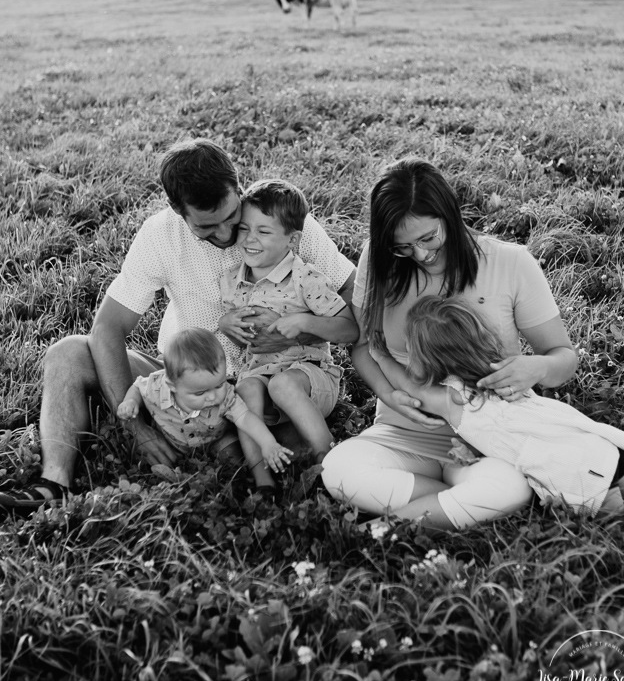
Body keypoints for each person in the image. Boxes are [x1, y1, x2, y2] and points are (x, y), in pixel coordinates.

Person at [0, 138, 355, 513]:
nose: (224, 234)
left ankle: (241, 455)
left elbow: (351, 293)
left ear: (238, 186)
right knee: (67, 354)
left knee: (269, 446)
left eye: (230, 217)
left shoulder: (277, 220)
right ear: (177, 211)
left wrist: (297, 328)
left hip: (272, 383)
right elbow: (107, 328)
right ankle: (52, 482)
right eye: (206, 226)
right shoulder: (160, 236)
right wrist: (136, 428)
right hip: (184, 380)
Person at [322, 157, 580, 531]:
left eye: (429, 238)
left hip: (490, 440)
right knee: (338, 471)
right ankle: (452, 505)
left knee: (509, 487)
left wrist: (536, 368)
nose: (422, 255)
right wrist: (388, 393)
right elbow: (364, 346)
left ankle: (390, 524)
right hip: (405, 432)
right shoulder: (376, 261)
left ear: (450, 215)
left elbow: (564, 358)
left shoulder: (510, 263)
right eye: (403, 247)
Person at [376, 295, 624, 517]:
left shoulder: (453, 398)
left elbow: (409, 387)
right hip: (600, 448)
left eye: (410, 348)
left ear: (427, 358)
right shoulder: (504, 371)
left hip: (576, 474)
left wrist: (381, 357)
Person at [219, 179, 358, 490]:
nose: (249, 240)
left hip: (311, 382)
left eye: (264, 232)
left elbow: (349, 328)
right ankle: (263, 481)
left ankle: (331, 463)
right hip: (261, 378)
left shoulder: (304, 278)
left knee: (283, 384)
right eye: (244, 229)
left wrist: (303, 322)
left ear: (292, 240)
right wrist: (227, 324)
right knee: (246, 391)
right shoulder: (232, 281)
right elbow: (246, 341)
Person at [117, 327, 293, 474]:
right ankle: (174, 477)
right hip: (172, 440)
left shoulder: (227, 397)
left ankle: (224, 474)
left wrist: (268, 443)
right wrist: (130, 402)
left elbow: (246, 418)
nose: (212, 396)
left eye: (219, 385)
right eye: (200, 393)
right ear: (172, 386)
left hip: (216, 438)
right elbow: (138, 387)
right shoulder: (158, 386)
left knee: (233, 455)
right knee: (159, 459)